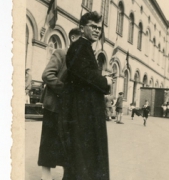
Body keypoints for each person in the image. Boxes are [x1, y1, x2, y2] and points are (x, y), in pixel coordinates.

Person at [58, 11, 114, 180]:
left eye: (99, 28)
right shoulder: (79, 46)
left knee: (83, 159)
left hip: (85, 111)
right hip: (81, 114)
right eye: (93, 27)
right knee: (82, 158)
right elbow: (82, 73)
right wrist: (105, 81)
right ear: (82, 28)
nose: (97, 31)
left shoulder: (84, 47)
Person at [37, 28, 81, 180]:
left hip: (69, 110)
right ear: (73, 38)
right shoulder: (61, 53)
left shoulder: (79, 60)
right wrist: (65, 91)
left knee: (66, 145)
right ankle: (45, 177)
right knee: (49, 142)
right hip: (54, 107)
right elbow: (47, 74)